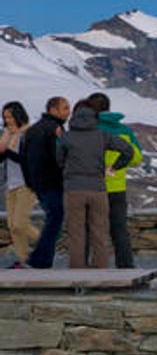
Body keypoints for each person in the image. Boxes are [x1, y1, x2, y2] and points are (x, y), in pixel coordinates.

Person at [56, 101, 135, 269]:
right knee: (100, 232)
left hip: (74, 190)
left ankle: (78, 272)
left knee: (76, 233)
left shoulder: (67, 137)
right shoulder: (102, 135)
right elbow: (128, 150)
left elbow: (59, 159)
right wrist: (115, 166)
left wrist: (68, 170)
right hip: (98, 189)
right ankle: (100, 270)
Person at [85, 93, 143, 269]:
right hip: (116, 188)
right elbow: (137, 158)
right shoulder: (124, 131)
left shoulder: (85, 129)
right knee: (119, 230)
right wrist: (116, 164)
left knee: (88, 231)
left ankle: (83, 270)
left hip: (91, 187)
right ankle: (126, 268)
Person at [21, 97, 71, 268]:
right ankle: (39, 260)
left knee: (53, 218)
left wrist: (30, 182)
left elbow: (24, 157)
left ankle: (42, 259)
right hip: (53, 183)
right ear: (53, 110)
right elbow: (60, 158)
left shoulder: (33, 129)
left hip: (38, 183)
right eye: (65, 108)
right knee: (55, 218)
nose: (68, 112)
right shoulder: (55, 129)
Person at [1, 102, 38, 266]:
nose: (7, 120)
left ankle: (45, 242)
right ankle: (24, 261)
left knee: (20, 223)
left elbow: (27, 160)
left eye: (10, 116)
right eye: (5, 117)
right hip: (10, 184)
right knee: (12, 227)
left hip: (26, 184)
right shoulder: (6, 135)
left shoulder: (28, 134)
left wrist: (7, 149)